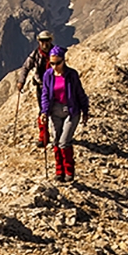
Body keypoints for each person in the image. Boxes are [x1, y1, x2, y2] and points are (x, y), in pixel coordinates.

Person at [39, 45, 89, 182]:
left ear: (63, 60)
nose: (55, 66)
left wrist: (85, 110)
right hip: (54, 111)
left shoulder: (71, 75)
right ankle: (59, 171)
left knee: (64, 142)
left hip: (71, 111)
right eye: (52, 63)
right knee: (56, 141)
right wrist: (44, 112)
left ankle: (69, 171)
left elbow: (80, 93)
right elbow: (45, 94)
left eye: (57, 63)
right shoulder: (48, 75)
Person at [20, 30, 55, 145]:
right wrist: (21, 81)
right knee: (43, 112)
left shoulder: (55, 53)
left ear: (50, 40)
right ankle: (44, 137)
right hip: (41, 87)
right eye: (42, 41)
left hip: (55, 87)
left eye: (46, 40)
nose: (44, 43)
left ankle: (57, 136)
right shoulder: (35, 55)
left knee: (56, 111)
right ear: (39, 41)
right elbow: (25, 67)